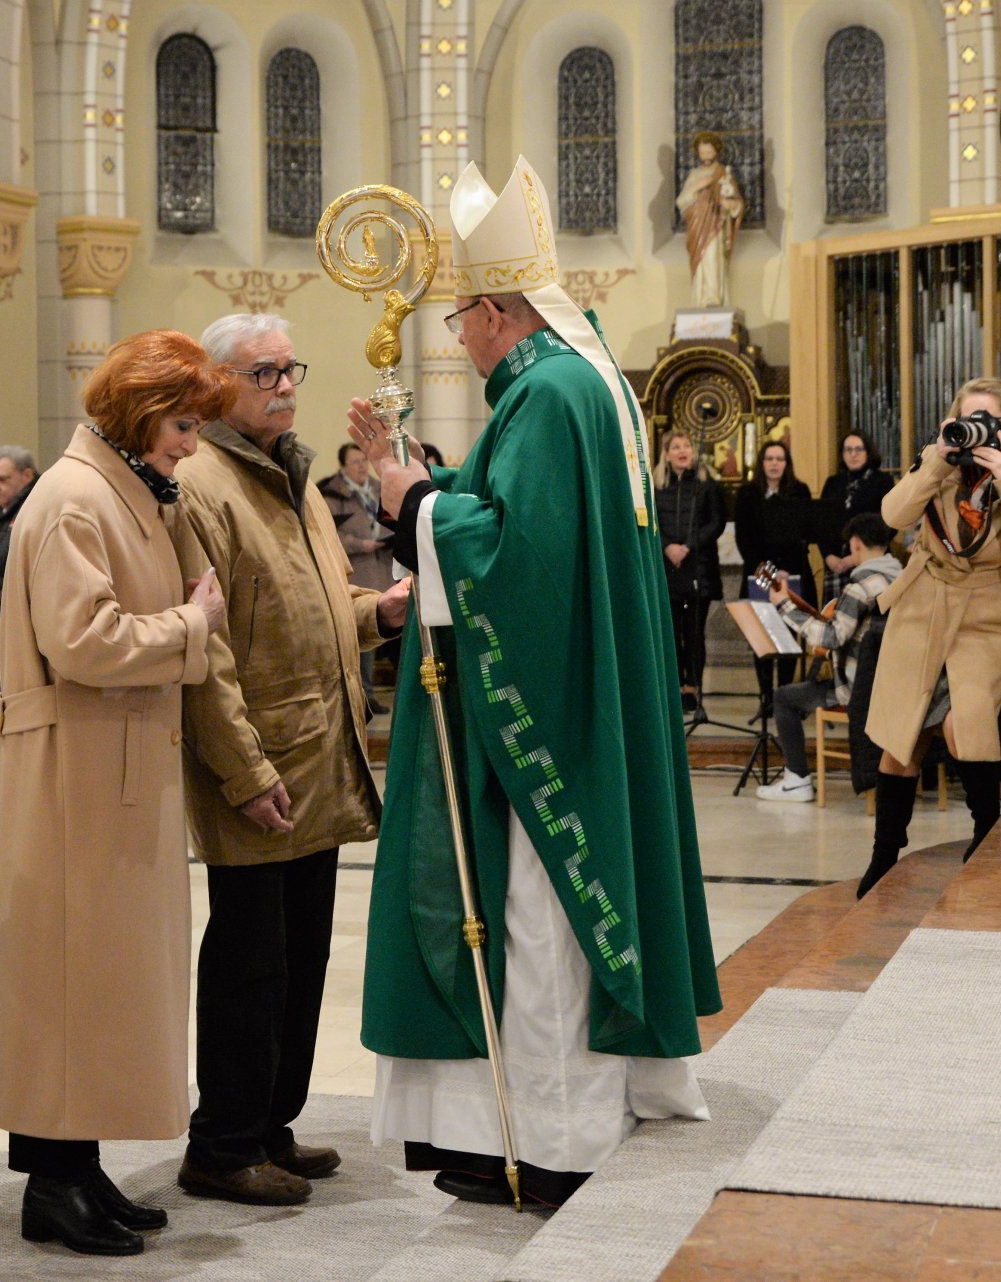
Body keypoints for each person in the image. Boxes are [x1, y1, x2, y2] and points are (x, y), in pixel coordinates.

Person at [350, 156, 719, 1209]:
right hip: (587, 690)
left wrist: (413, 499)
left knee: (533, 915)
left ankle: (548, 1136)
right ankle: (515, 1121)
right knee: (534, 917)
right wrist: (425, 484)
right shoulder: (571, 375)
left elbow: (518, 557)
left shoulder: (548, 393)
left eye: (463, 313)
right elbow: (518, 514)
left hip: (546, 716)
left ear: (501, 311)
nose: (457, 334)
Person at [0, 330, 231, 1257]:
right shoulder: (75, 500)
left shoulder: (120, 490)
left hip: (108, 764)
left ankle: (81, 1170)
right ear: (141, 414)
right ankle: (56, 1186)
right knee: (70, 987)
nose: (191, 443)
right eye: (185, 424)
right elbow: (87, 642)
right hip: (73, 773)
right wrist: (193, 624)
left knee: (99, 988)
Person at [175, 312, 411, 1208]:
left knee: (301, 955)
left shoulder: (290, 474)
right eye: (262, 372)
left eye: (289, 368)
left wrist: (375, 614)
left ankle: (272, 1123)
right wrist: (242, 770)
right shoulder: (202, 484)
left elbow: (314, 604)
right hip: (263, 766)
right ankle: (223, 1141)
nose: (284, 384)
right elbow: (212, 654)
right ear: (216, 384)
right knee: (249, 961)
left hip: (319, 752)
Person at [858, 377, 1001, 896]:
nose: (980, 432)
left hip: (985, 613)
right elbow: (892, 515)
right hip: (922, 603)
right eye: (971, 420)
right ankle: (882, 858)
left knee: (968, 722)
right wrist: (936, 460)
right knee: (903, 736)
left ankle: (984, 838)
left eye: (992, 422)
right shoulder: (936, 466)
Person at [754, 515, 901, 803]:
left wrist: (784, 605)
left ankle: (797, 780)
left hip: (859, 689)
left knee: (785, 697)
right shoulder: (903, 576)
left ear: (855, 543)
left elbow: (832, 638)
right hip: (897, 686)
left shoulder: (861, 586)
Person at [733, 441, 813, 716]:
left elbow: (802, 535)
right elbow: (745, 540)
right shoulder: (747, 494)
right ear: (762, 463)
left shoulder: (799, 492)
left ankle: (784, 697)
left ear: (786, 463)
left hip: (790, 574)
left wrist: (784, 570)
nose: (775, 463)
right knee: (762, 637)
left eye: (780, 458)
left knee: (789, 637)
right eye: (769, 458)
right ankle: (766, 698)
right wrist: (768, 571)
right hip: (759, 575)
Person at [318, 442, 397, 715]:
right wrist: (361, 544)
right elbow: (329, 535)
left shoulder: (379, 488)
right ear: (343, 467)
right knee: (361, 639)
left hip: (384, 569)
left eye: (364, 460)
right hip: (357, 569)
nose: (362, 466)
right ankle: (364, 695)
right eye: (355, 462)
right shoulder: (332, 494)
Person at [653, 430, 725, 715]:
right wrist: (667, 547)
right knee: (671, 633)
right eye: (676, 447)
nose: (683, 451)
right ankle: (674, 687)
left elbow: (716, 523)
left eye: (687, 446)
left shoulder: (706, 485)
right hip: (667, 569)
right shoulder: (656, 486)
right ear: (667, 454)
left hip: (698, 568)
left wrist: (688, 547)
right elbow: (649, 521)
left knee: (694, 634)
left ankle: (692, 689)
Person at [0, 444, 39, 698]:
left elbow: (31, 570)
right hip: (1, 628)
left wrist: (1, 609)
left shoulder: (32, 509)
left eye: (2, 479)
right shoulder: (5, 514)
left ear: (26, 476)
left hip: (20, 628)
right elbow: (1, 572)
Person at [677, 130, 744, 308]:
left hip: (715, 224)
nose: (705, 156)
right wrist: (696, 188)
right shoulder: (694, 175)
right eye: (702, 152)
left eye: (709, 152)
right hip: (697, 225)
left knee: (713, 258)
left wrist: (731, 205)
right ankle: (700, 299)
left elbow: (737, 202)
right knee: (700, 263)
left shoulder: (723, 174)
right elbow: (681, 201)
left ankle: (712, 298)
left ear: (716, 151)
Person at [817, 433, 895, 584]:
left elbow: (889, 524)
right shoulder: (833, 482)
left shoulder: (882, 481)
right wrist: (828, 555)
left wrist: (858, 556)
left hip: (871, 561)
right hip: (836, 563)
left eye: (859, 449)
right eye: (848, 450)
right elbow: (821, 522)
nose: (853, 454)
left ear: (868, 452)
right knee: (835, 608)